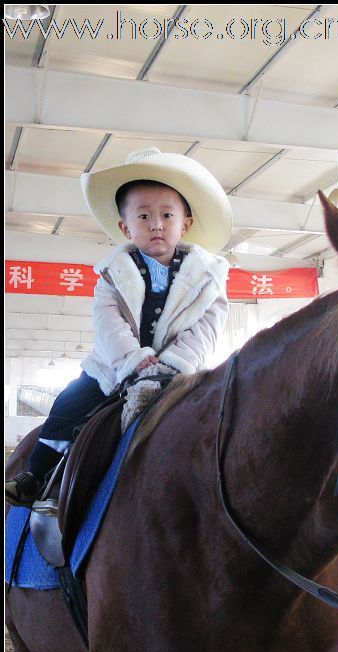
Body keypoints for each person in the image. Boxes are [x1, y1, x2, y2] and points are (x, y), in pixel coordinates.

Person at [5, 147, 232, 507]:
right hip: (113, 370)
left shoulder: (209, 279)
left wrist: (174, 364)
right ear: (126, 227)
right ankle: (36, 475)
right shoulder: (111, 274)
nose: (156, 223)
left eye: (166, 215)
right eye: (144, 216)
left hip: (180, 374)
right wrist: (133, 360)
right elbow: (108, 323)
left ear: (185, 223)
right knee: (67, 404)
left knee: (223, 418)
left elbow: (207, 326)